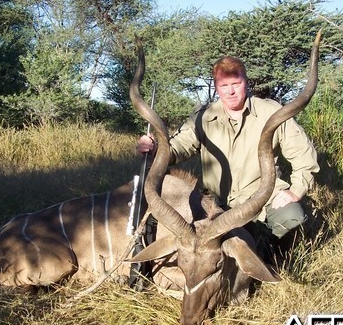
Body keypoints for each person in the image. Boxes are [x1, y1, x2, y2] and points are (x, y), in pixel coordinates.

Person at [136, 56, 319, 256]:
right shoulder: (203, 117)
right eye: (224, 85)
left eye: (236, 84)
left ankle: (270, 259)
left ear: (246, 82)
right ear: (216, 87)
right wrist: (156, 148)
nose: (230, 91)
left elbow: (303, 156)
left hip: (262, 198)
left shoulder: (272, 112)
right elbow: (179, 147)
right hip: (216, 204)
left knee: (291, 216)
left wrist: (296, 190)